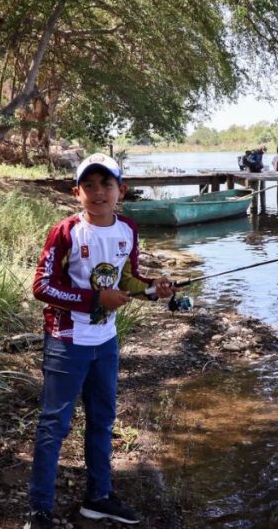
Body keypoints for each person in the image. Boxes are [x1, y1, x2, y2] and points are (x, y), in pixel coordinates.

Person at [25, 153, 174, 528]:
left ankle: (99, 497)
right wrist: (95, 299)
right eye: (88, 185)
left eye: (106, 184)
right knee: (54, 425)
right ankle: (39, 510)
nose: (98, 192)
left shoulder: (128, 229)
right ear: (76, 192)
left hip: (105, 341)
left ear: (120, 190)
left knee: (103, 420)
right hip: (67, 340)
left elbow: (128, 279)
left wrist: (155, 290)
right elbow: (41, 286)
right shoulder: (66, 232)